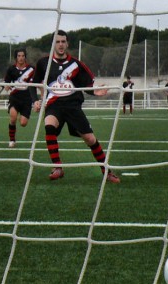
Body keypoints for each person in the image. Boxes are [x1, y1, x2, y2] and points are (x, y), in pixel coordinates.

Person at [29, 29, 120, 183]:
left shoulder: (76, 65)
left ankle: (107, 171)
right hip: (54, 106)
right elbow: (33, 84)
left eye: (63, 41)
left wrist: (96, 92)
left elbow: (87, 86)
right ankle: (57, 167)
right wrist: (35, 100)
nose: (60, 45)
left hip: (73, 106)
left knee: (90, 139)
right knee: (49, 126)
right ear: (53, 44)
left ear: (67, 43)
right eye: (57, 42)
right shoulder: (43, 63)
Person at [4, 48, 35, 148]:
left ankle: (21, 117)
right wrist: (7, 86)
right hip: (14, 98)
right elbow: (6, 82)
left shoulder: (31, 69)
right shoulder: (11, 69)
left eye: (22, 56)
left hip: (27, 99)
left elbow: (37, 83)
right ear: (16, 57)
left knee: (23, 123)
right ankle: (12, 140)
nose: (21, 58)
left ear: (25, 57)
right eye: (19, 56)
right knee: (13, 117)